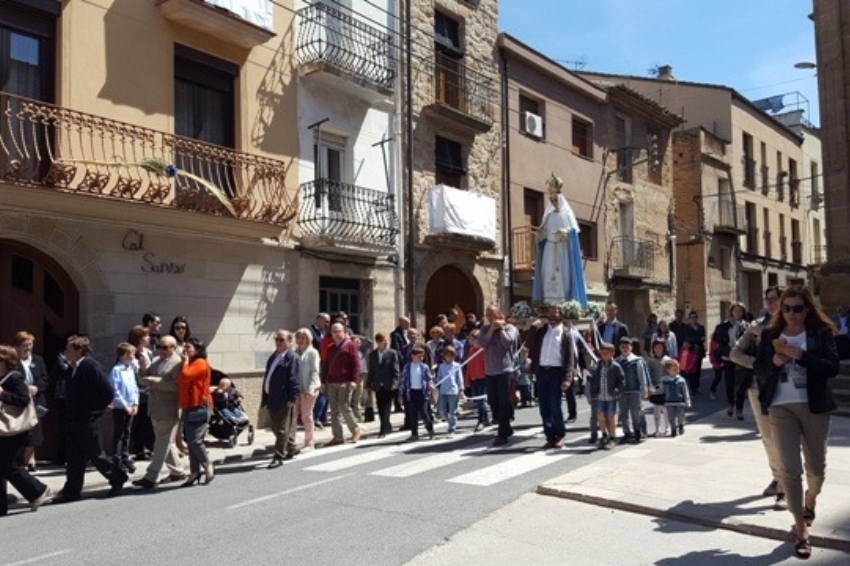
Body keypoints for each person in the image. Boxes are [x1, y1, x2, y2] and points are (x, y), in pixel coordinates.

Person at [753, 285, 839, 559]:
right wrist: (775, 363)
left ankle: (810, 499)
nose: (791, 313)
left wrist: (803, 357)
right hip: (781, 407)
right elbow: (760, 370)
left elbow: (832, 367)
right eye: (786, 308)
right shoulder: (770, 335)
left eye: (797, 308)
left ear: (807, 308)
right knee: (790, 471)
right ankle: (801, 530)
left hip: (814, 407)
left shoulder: (820, 334)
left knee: (817, 470)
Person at [730, 285, 786, 509]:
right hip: (758, 387)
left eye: (776, 299)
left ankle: (785, 487)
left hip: (785, 387)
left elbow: (785, 351)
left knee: (784, 439)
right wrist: (757, 365)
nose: (771, 303)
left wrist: (762, 334)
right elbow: (735, 353)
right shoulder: (756, 326)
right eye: (768, 299)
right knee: (767, 437)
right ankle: (777, 477)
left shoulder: (790, 325)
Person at [55, 335, 128, 502]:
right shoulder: (73, 367)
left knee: (95, 454)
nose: (66, 352)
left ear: (79, 351)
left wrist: (97, 410)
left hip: (87, 419)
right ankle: (72, 491)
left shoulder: (90, 366)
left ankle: (117, 476)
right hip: (73, 418)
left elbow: (107, 391)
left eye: (69, 349)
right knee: (74, 457)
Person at [0, 345, 52, 515]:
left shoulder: (14, 378)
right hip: (2, 430)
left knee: (11, 466)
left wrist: (3, 394)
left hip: (14, 430)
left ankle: (38, 490)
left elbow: (23, 399)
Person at [133, 335, 187, 489]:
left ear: (173, 348)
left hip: (169, 409)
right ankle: (178, 471)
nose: (161, 350)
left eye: (165, 347)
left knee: (161, 443)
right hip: (154, 408)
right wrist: (143, 371)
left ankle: (151, 476)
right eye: (159, 347)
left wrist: (155, 382)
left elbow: (176, 386)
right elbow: (144, 377)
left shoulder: (178, 363)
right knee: (165, 443)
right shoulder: (156, 361)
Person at [532, 173, 588, 305]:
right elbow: (544, 233)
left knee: (564, 275)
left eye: (556, 200)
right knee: (547, 273)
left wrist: (565, 232)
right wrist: (541, 233)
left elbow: (573, 232)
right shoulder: (548, 216)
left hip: (562, 249)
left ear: (560, 200)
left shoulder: (566, 214)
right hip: (550, 249)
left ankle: (566, 302)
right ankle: (547, 302)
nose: (554, 202)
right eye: (552, 200)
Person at [528, 305, 577, 450]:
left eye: (555, 312)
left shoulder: (566, 333)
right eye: (550, 312)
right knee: (544, 407)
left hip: (556, 372)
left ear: (560, 315)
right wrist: (532, 328)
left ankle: (560, 435)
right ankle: (550, 436)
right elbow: (529, 344)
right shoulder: (541, 331)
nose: (552, 315)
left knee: (555, 405)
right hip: (542, 371)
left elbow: (569, 358)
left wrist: (568, 378)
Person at [478, 305, 520, 447]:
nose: (490, 317)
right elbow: (482, 343)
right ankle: (506, 426)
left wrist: (500, 329)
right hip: (490, 370)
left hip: (505, 370)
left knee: (503, 402)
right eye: (487, 315)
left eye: (492, 314)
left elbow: (507, 343)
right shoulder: (485, 329)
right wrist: (491, 329)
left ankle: (502, 435)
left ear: (498, 314)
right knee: (493, 402)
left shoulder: (510, 328)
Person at [178, 337, 214, 486]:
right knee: (191, 440)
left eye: (189, 347)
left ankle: (207, 465)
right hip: (189, 405)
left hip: (199, 405)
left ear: (198, 350)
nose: (185, 350)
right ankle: (194, 472)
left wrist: (185, 361)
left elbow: (186, 376)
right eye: (185, 347)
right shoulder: (190, 363)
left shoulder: (200, 362)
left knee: (195, 440)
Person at [263, 330, 300, 467]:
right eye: (277, 339)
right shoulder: (274, 356)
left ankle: (278, 456)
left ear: (289, 342)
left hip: (284, 398)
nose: (278, 342)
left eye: (282, 340)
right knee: (275, 427)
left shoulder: (292, 357)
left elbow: (294, 379)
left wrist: (292, 398)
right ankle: (291, 447)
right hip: (271, 396)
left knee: (282, 429)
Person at [320, 323, 362, 446]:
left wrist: (354, 380)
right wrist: (323, 381)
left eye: (338, 331)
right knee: (333, 410)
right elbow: (326, 365)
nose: (336, 333)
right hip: (332, 381)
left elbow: (356, 364)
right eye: (333, 331)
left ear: (344, 332)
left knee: (343, 406)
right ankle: (338, 436)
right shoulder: (330, 347)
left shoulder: (350, 346)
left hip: (345, 381)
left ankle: (355, 430)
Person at [13, 331, 48, 472]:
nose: (28, 348)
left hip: (35, 401)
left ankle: (30, 458)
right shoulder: (12, 361)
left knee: (33, 429)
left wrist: (37, 388)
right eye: (24, 345)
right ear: (17, 346)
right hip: (18, 401)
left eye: (30, 345)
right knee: (18, 430)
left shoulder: (38, 360)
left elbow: (44, 378)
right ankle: (17, 458)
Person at [711, 302, 748, 417]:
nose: (737, 313)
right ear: (731, 312)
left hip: (741, 357)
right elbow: (720, 342)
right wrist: (729, 352)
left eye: (740, 311)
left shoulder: (747, 326)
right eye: (735, 310)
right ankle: (730, 404)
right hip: (728, 357)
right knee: (729, 382)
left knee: (741, 383)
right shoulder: (724, 326)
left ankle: (740, 408)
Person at [586, 342, 625, 450]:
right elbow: (594, 378)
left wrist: (616, 391)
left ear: (612, 353)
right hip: (600, 395)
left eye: (606, 353)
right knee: (600, 416)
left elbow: (622, 381)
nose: (604, 355)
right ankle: (604, 435)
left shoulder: (616, 366)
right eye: (602, 353)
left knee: (611, 416)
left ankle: (612, 437)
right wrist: (589, 377)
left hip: (611, 396)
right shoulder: (597, 365)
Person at [110, 343, 140, 475]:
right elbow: (114, 390)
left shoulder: (130, 370)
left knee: (127, 432)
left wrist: (135, 404)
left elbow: (134, 388)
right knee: (119, 433)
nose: (133, 357)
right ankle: (116, 458)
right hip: (120, 407)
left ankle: (125, 455)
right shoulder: (116, 370)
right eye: (131, 354)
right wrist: (124, 405)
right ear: (124, 355)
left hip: (131, 406)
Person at [615, 337, 651, 443]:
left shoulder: (637, 361)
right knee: (623, 413)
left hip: (635, 390)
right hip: (622, 392)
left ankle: (638, 431)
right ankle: (626, 432)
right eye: (623, 347)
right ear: (620, 348)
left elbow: (642, 376)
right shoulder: (617, 361)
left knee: (636, 412)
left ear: (631, 348)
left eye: (627, 347)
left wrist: (644, 389)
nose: (625, 349)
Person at [127, 325, 154, 462]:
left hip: (149, 391)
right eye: (146, 336)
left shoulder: (148, 352)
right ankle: (137, 449)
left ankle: (146, 447)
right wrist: (142, 369)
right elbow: (130, 373)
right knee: (137, 422)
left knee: (147, 422)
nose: (148, 338)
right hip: (137, 391)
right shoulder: (130, 353)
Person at [291, 328, 320, 451]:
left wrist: (311, 388)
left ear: (308, 338)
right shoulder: (294, 353)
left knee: (306, 416)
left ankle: (309, 442)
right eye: (298, 337)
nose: (300, 340)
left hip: (309, 389)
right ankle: (290, 441)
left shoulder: (312, 353)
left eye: (303, 337)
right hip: (296, 389)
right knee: (292, 416)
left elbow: (315, 371)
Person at [367, 332, 401, 438]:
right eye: (383, 341)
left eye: (386, 341)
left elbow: (396, 370)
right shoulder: (372, 355)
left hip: (389, 384)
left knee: (386, 406)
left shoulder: (392, 353)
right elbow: (371, 370)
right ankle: (386, 425)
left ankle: (383, 429)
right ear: (378, 342)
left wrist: (395, 382)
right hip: (378, 384)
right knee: (380, 407)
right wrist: (369, 383)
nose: (385, 343)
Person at [398, 346, 434, 441]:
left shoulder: (424, 367)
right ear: (413, 356)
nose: (420, 358)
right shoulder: (407, 367)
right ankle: (414, 433)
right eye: (418, 356)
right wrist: (401, 394)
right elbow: (402, 381)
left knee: (424, 413)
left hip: (422, 392)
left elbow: (429, 379)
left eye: (422, 356)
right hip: (411, 392)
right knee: (412, 414)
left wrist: (430, 386)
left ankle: (430, 429)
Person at [435, 346, 464, 438]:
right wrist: (435, 380)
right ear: (445, 356)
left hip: (453, 391)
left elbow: (459, 379)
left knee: (452, 411)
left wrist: (461, 389)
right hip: (443, 391)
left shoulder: (456, 366)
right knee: (441, 410)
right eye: (448, 355)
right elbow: (439, 378)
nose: (450, 357)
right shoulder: (442, 366)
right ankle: (450, 422)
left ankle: (452, 429)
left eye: (452, 355)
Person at [646, 339, 672, 437]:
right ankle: (657, 428)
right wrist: (649, 386)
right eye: (656, 348)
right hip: (655, 387)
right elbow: (648, 373)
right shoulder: (650, 360)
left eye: (660, 348)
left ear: (664, 348)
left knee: (665, 408)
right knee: (656, 408)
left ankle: (667, 427)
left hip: (666, 387)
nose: (658, 350)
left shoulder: (667, 360)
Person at [465, 330, 489, 432]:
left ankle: (481, 420)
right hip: (474, 379)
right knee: (478, 401)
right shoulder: (470, 351)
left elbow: (486, 366)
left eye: (472, 339)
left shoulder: (483, 351)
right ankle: (486, 418)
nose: (470, 341)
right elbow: (469, 366)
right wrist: (467, 379)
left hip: (482, 379)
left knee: (480, 401)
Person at [661, 358, 691, 437]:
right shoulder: (665, 380)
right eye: (673, 369)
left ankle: (681, 425)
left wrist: (687, 401)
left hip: (679, 401)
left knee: (680, 415)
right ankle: (673, 429)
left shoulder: (681, 380)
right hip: (669, 401)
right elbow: (661, 390)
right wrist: (654, 391)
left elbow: (685, 391)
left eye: (676, 369)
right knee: (671, 417)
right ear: (668, 370)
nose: (675, 371)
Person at [683, 311, 707, 391]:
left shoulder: (701, 327)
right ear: (689, 318)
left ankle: (696, 387)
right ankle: (692, 387)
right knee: (691, 370)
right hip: (690, 352)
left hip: (699, 352)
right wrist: (696, 340)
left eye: (695, 317)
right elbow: (687, 338)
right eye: (691, 317)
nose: (693, 319)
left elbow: (703, 338)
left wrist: (694, 340)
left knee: (698, 370)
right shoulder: (686, 328)